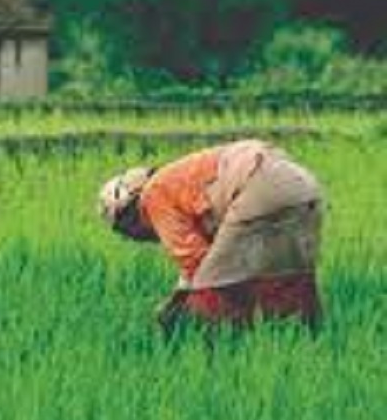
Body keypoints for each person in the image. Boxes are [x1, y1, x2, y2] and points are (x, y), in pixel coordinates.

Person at [98, 139, 324, 334]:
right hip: (303, 186)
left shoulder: (153, 196)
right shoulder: (178, 179)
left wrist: (175, 308)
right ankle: (305, 337)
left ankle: (203, 349)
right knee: (289, 281)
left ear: (128, 212)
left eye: (126, 231)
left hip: (257, 184)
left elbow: (196, 261)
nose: (137, 238)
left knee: (210, 299)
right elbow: (215, 257)